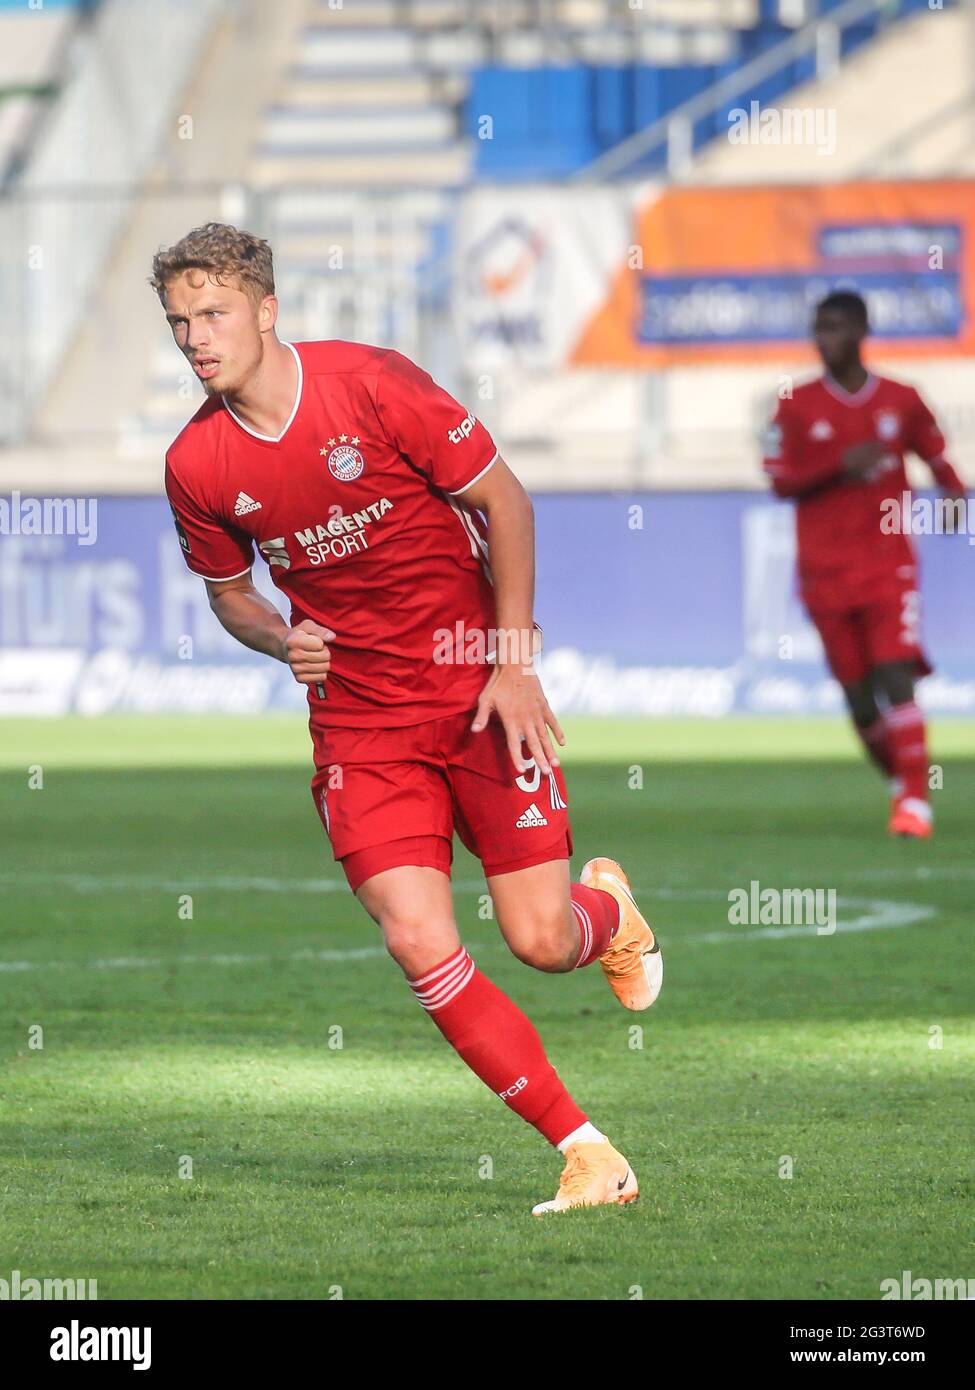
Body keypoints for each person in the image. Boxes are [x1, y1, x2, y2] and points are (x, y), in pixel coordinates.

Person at [152, 222, 662, 1214]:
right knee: (419, 938)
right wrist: (275, 639)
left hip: (477, 692)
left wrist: (514, 664)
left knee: (540, 939)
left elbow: (505, 503)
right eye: (179, 323)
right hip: (361, 726)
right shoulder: (198, 464)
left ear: (266, 309)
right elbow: (231, 595)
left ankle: (610, 917)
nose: (196, 339)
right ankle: (588, 1150)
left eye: (212, 314)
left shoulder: (374, 385)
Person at [763, 290, 966, 838]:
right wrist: (837, 465)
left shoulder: (901, 399)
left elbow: (936, 453)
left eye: (834, 328)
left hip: (888, 565)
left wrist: (954, 494)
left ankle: (917, 803)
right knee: (858, 696)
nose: (824, 340)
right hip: (824, 572)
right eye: (818, 329)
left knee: (894, 674)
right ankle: (903, 784)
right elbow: (779, 480)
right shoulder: (794, 405)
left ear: (860, 331)